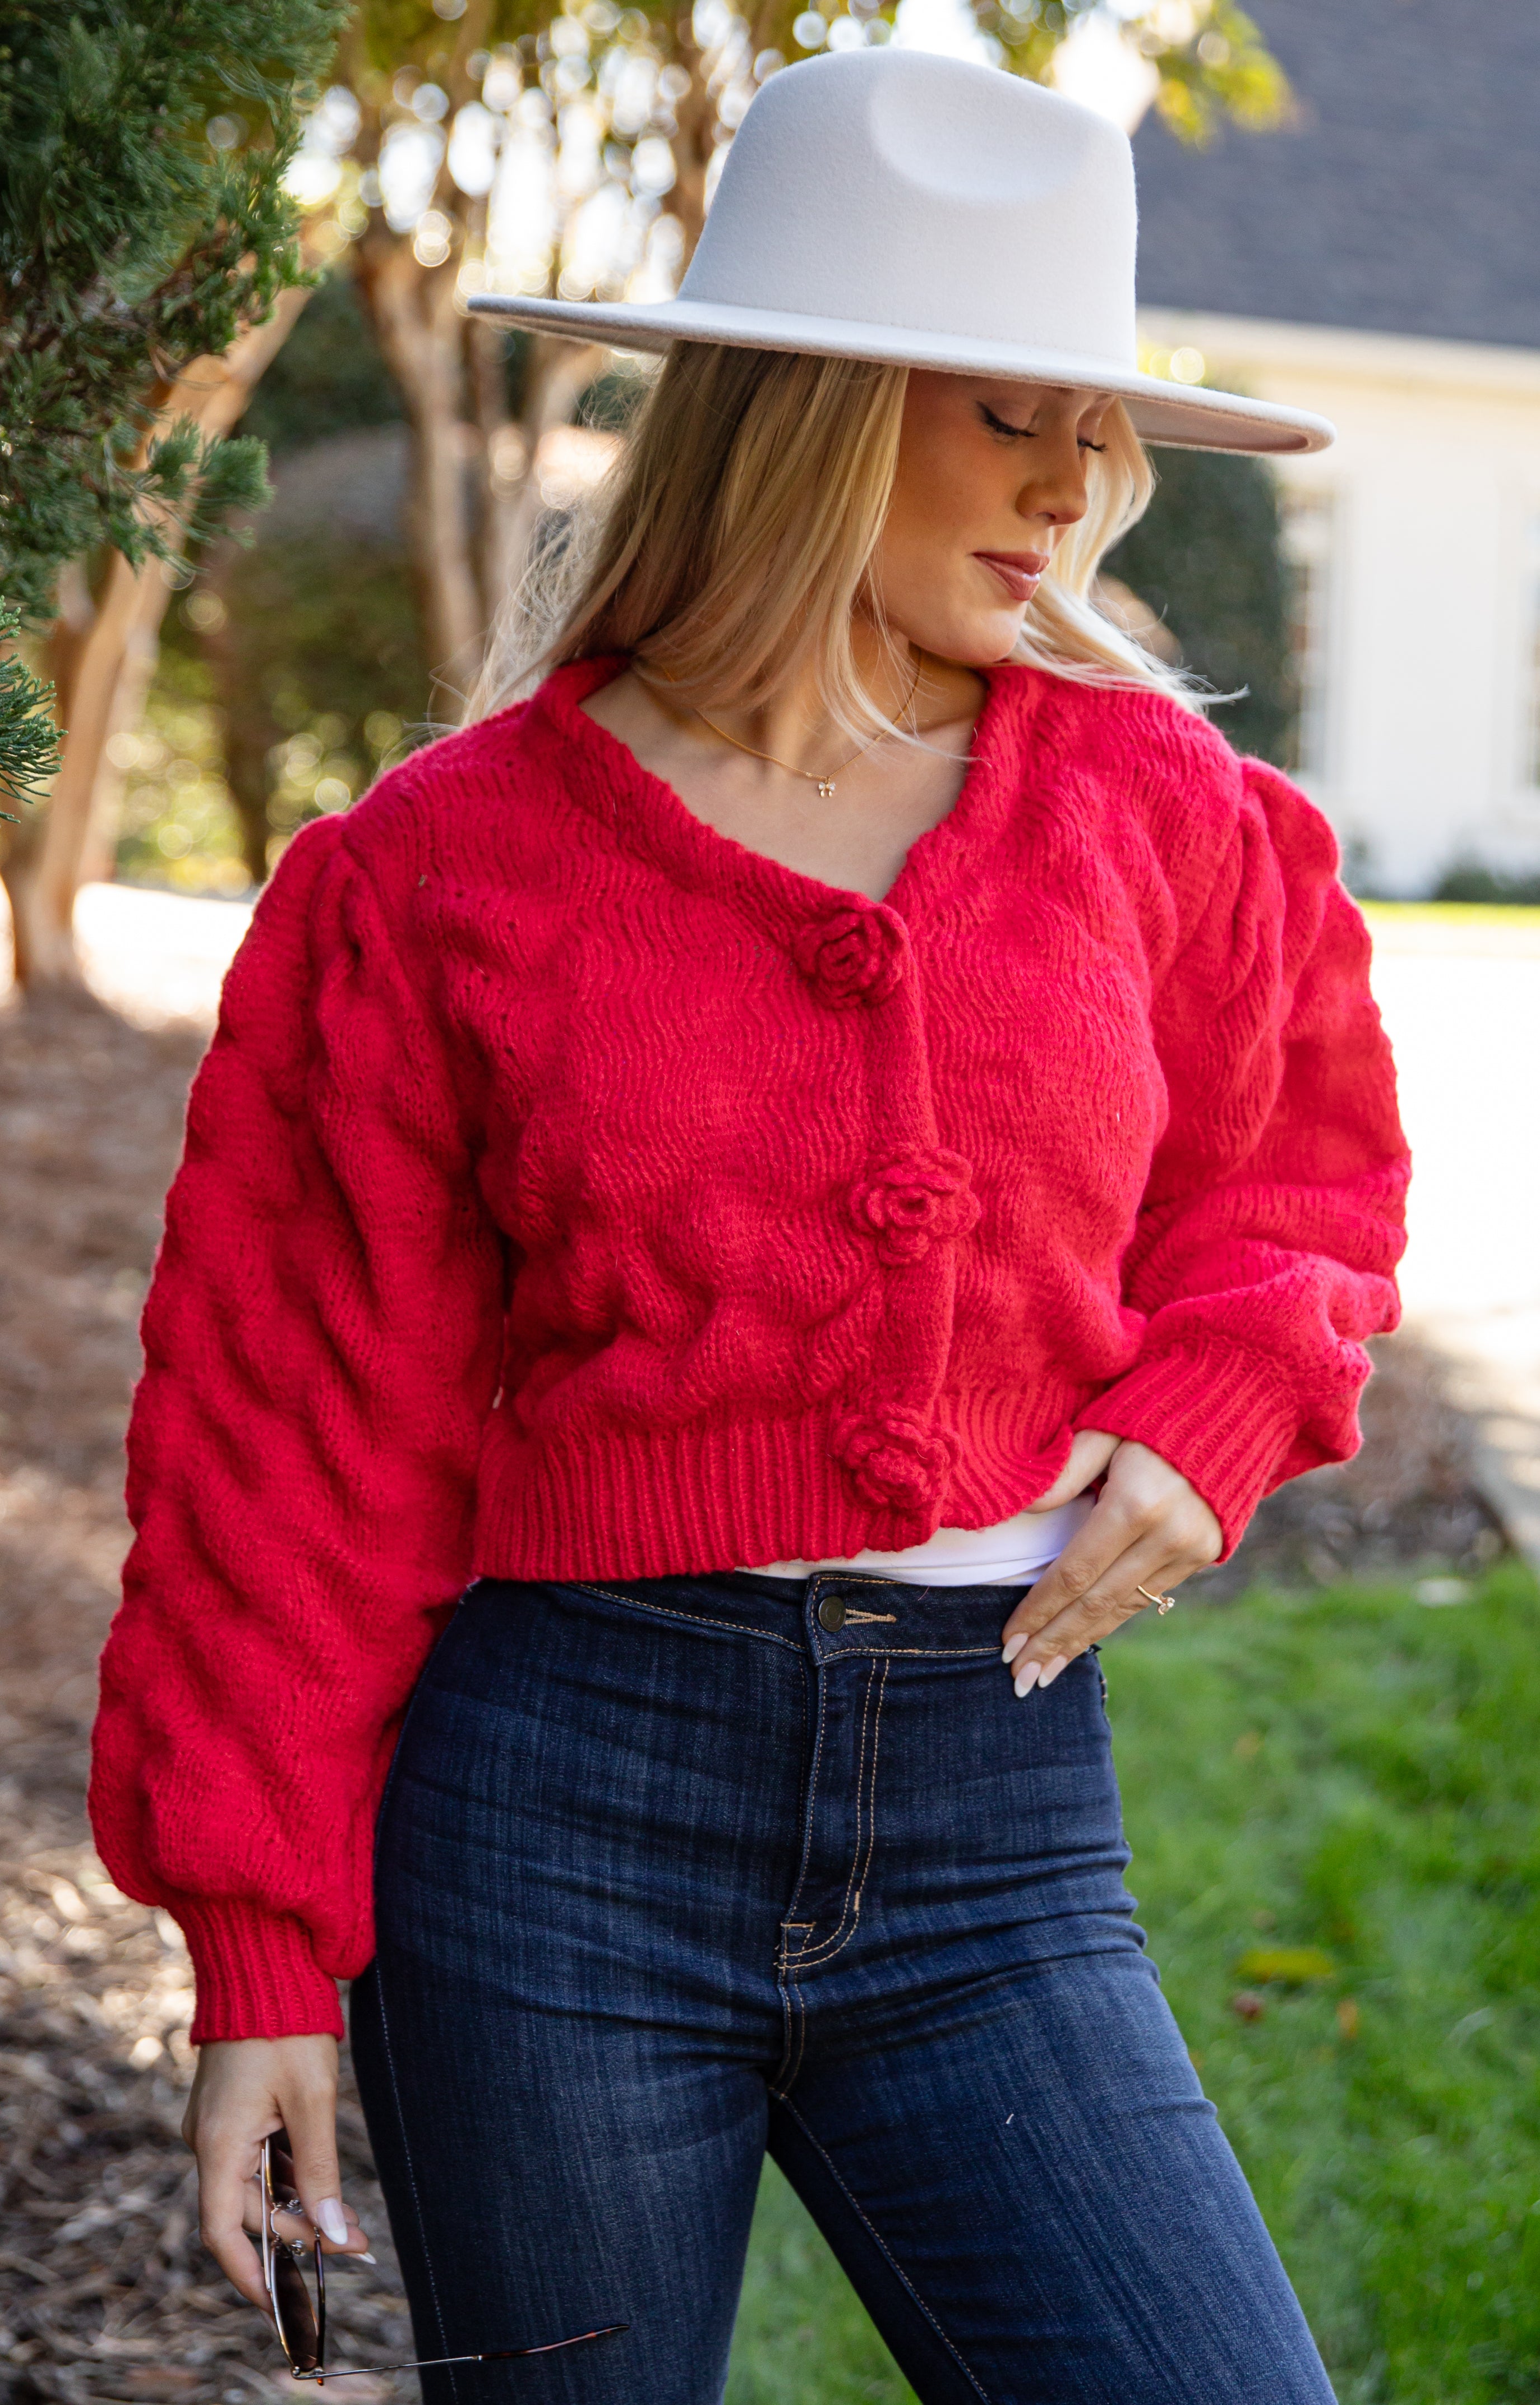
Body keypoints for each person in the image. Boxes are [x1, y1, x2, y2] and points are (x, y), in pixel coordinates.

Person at [90, 48, 1408, 2405]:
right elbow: (297, 1439)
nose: (1074, 483)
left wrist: (1219, 1400)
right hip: (551, 1828)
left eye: (1096, 431)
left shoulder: (1156, 809)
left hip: (998, 1814)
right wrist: (260, 1953)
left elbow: (1294, 1172)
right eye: (1006, 415)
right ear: (806, 416)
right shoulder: (437, 876)